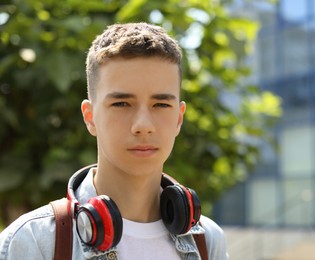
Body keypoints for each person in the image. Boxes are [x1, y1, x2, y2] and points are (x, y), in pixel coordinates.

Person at [0, 22, 228, 259]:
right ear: (90, 117)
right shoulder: (34, 241)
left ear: (179, 119)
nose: (143, 126)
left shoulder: (207, 240)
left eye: (161, 104)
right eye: (121, 104)